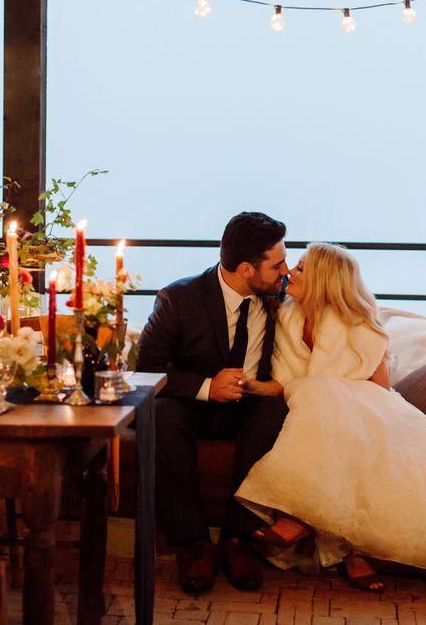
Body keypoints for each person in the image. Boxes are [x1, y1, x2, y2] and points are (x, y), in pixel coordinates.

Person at [236, 242, 426, 591]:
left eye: (302, 268)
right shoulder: (288, 318)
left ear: (324, 278)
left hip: (370, 409)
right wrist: (253, 387)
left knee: (330, 402)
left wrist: (343, 402)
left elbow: (379, 390)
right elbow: (288, 383)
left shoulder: (359, 323)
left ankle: (298, 515)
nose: (291, 272)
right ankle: (353, 553)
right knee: (317, 397)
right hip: (314, 410)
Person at [137, 211, 290, 593]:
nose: (286, 270)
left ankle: (238, 540)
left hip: (250, 408)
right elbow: (146, 371)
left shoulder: (280, 298)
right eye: (277, 263)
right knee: (161, 412)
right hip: (194, 409)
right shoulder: (179, 298)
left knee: (276, 409)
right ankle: (194, 543)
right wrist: (207, 386)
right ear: (246, 269)